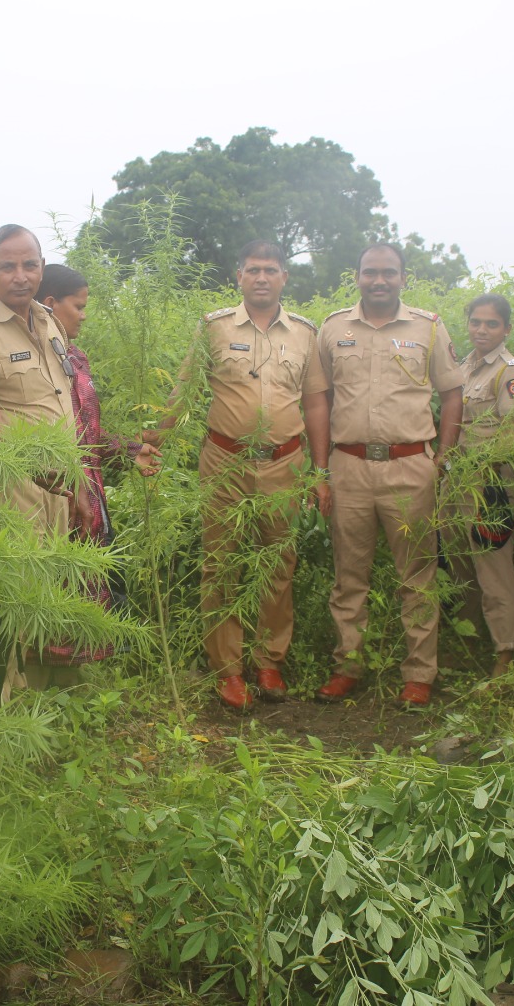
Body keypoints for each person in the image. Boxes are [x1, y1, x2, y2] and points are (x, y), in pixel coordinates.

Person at [168, 240, 330, 711]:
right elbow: (185, 391)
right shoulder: (215, 328)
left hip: (285, 462)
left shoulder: (304, 334)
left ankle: (269, 660)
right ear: (238, 275)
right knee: (221, 564)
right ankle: (228, 670)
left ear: (285, 277)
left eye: (271, 270)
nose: (262, 277)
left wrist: (319, 473)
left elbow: (317, 402)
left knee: (279, 563)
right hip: (224, 462)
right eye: (253, 269)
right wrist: (153, 440)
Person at [313, 243, 462, 706]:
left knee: (417, 576)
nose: (379, 281)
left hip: (410, 467)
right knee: (349, 576)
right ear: (356, 276)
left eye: (389, 273)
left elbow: (453, 394)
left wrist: (442, 458)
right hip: (349, 467)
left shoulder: (429, 328)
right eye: (370, 273)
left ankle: (419, 674)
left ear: (403, 277)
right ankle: (348, 665)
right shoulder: (334, 328)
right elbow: (319, 400)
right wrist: (320, 471)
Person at [0, 224, 88, 697]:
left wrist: (75, 480)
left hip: (58, 482)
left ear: (42, 268)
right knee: (13, 596)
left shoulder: (49, 320)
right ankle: (4, 703)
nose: (20, 275)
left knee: (45, 591)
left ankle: (35, 696)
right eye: (7, 266)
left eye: (30, 264)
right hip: (16, 486)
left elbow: (61, 401)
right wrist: (41, 465)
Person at [35, 263, 160, 663]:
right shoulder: (35, 359)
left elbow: (87, 431)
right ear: (50, 304)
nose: (84, 315)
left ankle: (75, 695)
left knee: (90, 591)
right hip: (53, 489)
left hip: (89, 487)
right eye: (79, 305)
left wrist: (129, 449)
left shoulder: (75, 355)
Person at [447, 293, 514, 678]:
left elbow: (510, 433)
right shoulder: (465, 366)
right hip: (455, 480)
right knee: (461, 566)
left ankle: (504, 655)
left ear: (507, 329)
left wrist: (488, 483)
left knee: (494, 570)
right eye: (476, 322)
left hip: (489, 484)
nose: (482, 330)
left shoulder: (509, 372)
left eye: (491, 324)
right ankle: (466, 642)